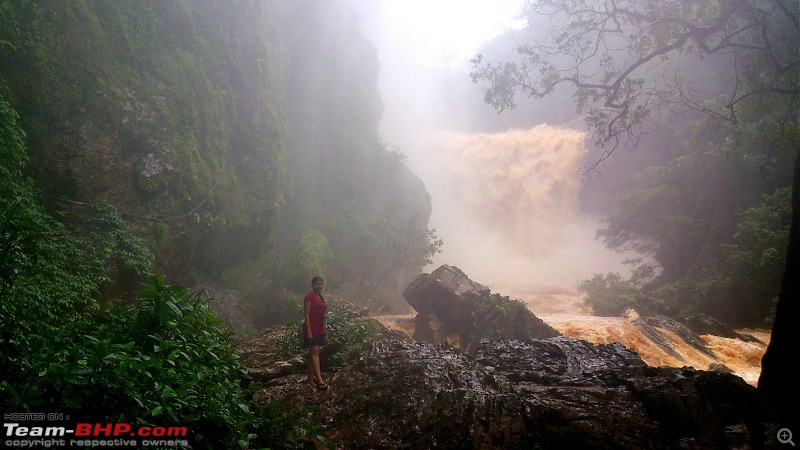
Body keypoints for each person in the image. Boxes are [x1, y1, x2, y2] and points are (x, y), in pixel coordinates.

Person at [304, 276, 329, 390]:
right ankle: (319, 380)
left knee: (311, 355)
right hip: (311, 328)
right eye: (317, 284)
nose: (319, 286)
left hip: (320, 328)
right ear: (312, 285)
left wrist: (325, 333)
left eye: (321, 284)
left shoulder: (321, 298)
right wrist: (309, 332)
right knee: (315, 352)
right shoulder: (309, 297)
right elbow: (307, 315)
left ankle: (310, 379)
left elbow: (323, 317)